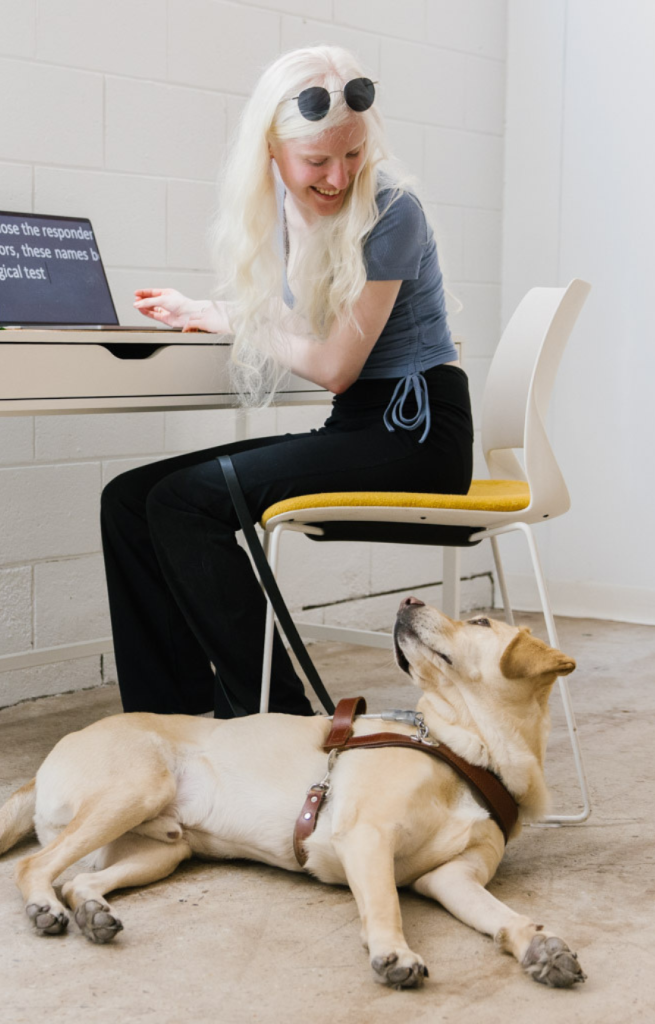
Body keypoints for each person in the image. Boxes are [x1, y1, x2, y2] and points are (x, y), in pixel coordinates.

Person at [100, 46, 473, 719]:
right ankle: (171, 726)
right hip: (362, 426)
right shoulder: (277, 211)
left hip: (416, 434)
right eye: (317, 161)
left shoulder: (393, 210)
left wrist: (229, 319)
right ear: (270, 148)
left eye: (352, 155)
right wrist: (211, 313)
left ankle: (276, 720)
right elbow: (303, 341)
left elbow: (333, 366)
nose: (337, 176)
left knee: (185, 504)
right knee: (130, 499)